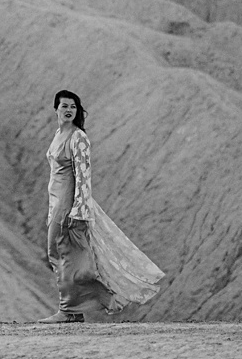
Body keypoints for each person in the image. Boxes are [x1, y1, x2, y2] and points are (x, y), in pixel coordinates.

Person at [40, 89, 164, 324]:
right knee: (58, 255)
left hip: (69, 206)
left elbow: (83, 176)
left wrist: (79, 211)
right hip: (56, 205)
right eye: (64, 106)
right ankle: (72, 309)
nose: (68, 110)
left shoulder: (78, 138)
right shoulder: (59, 134)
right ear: (55, 108)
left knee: (67, 256)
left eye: (72, 107)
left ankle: (69, 310)